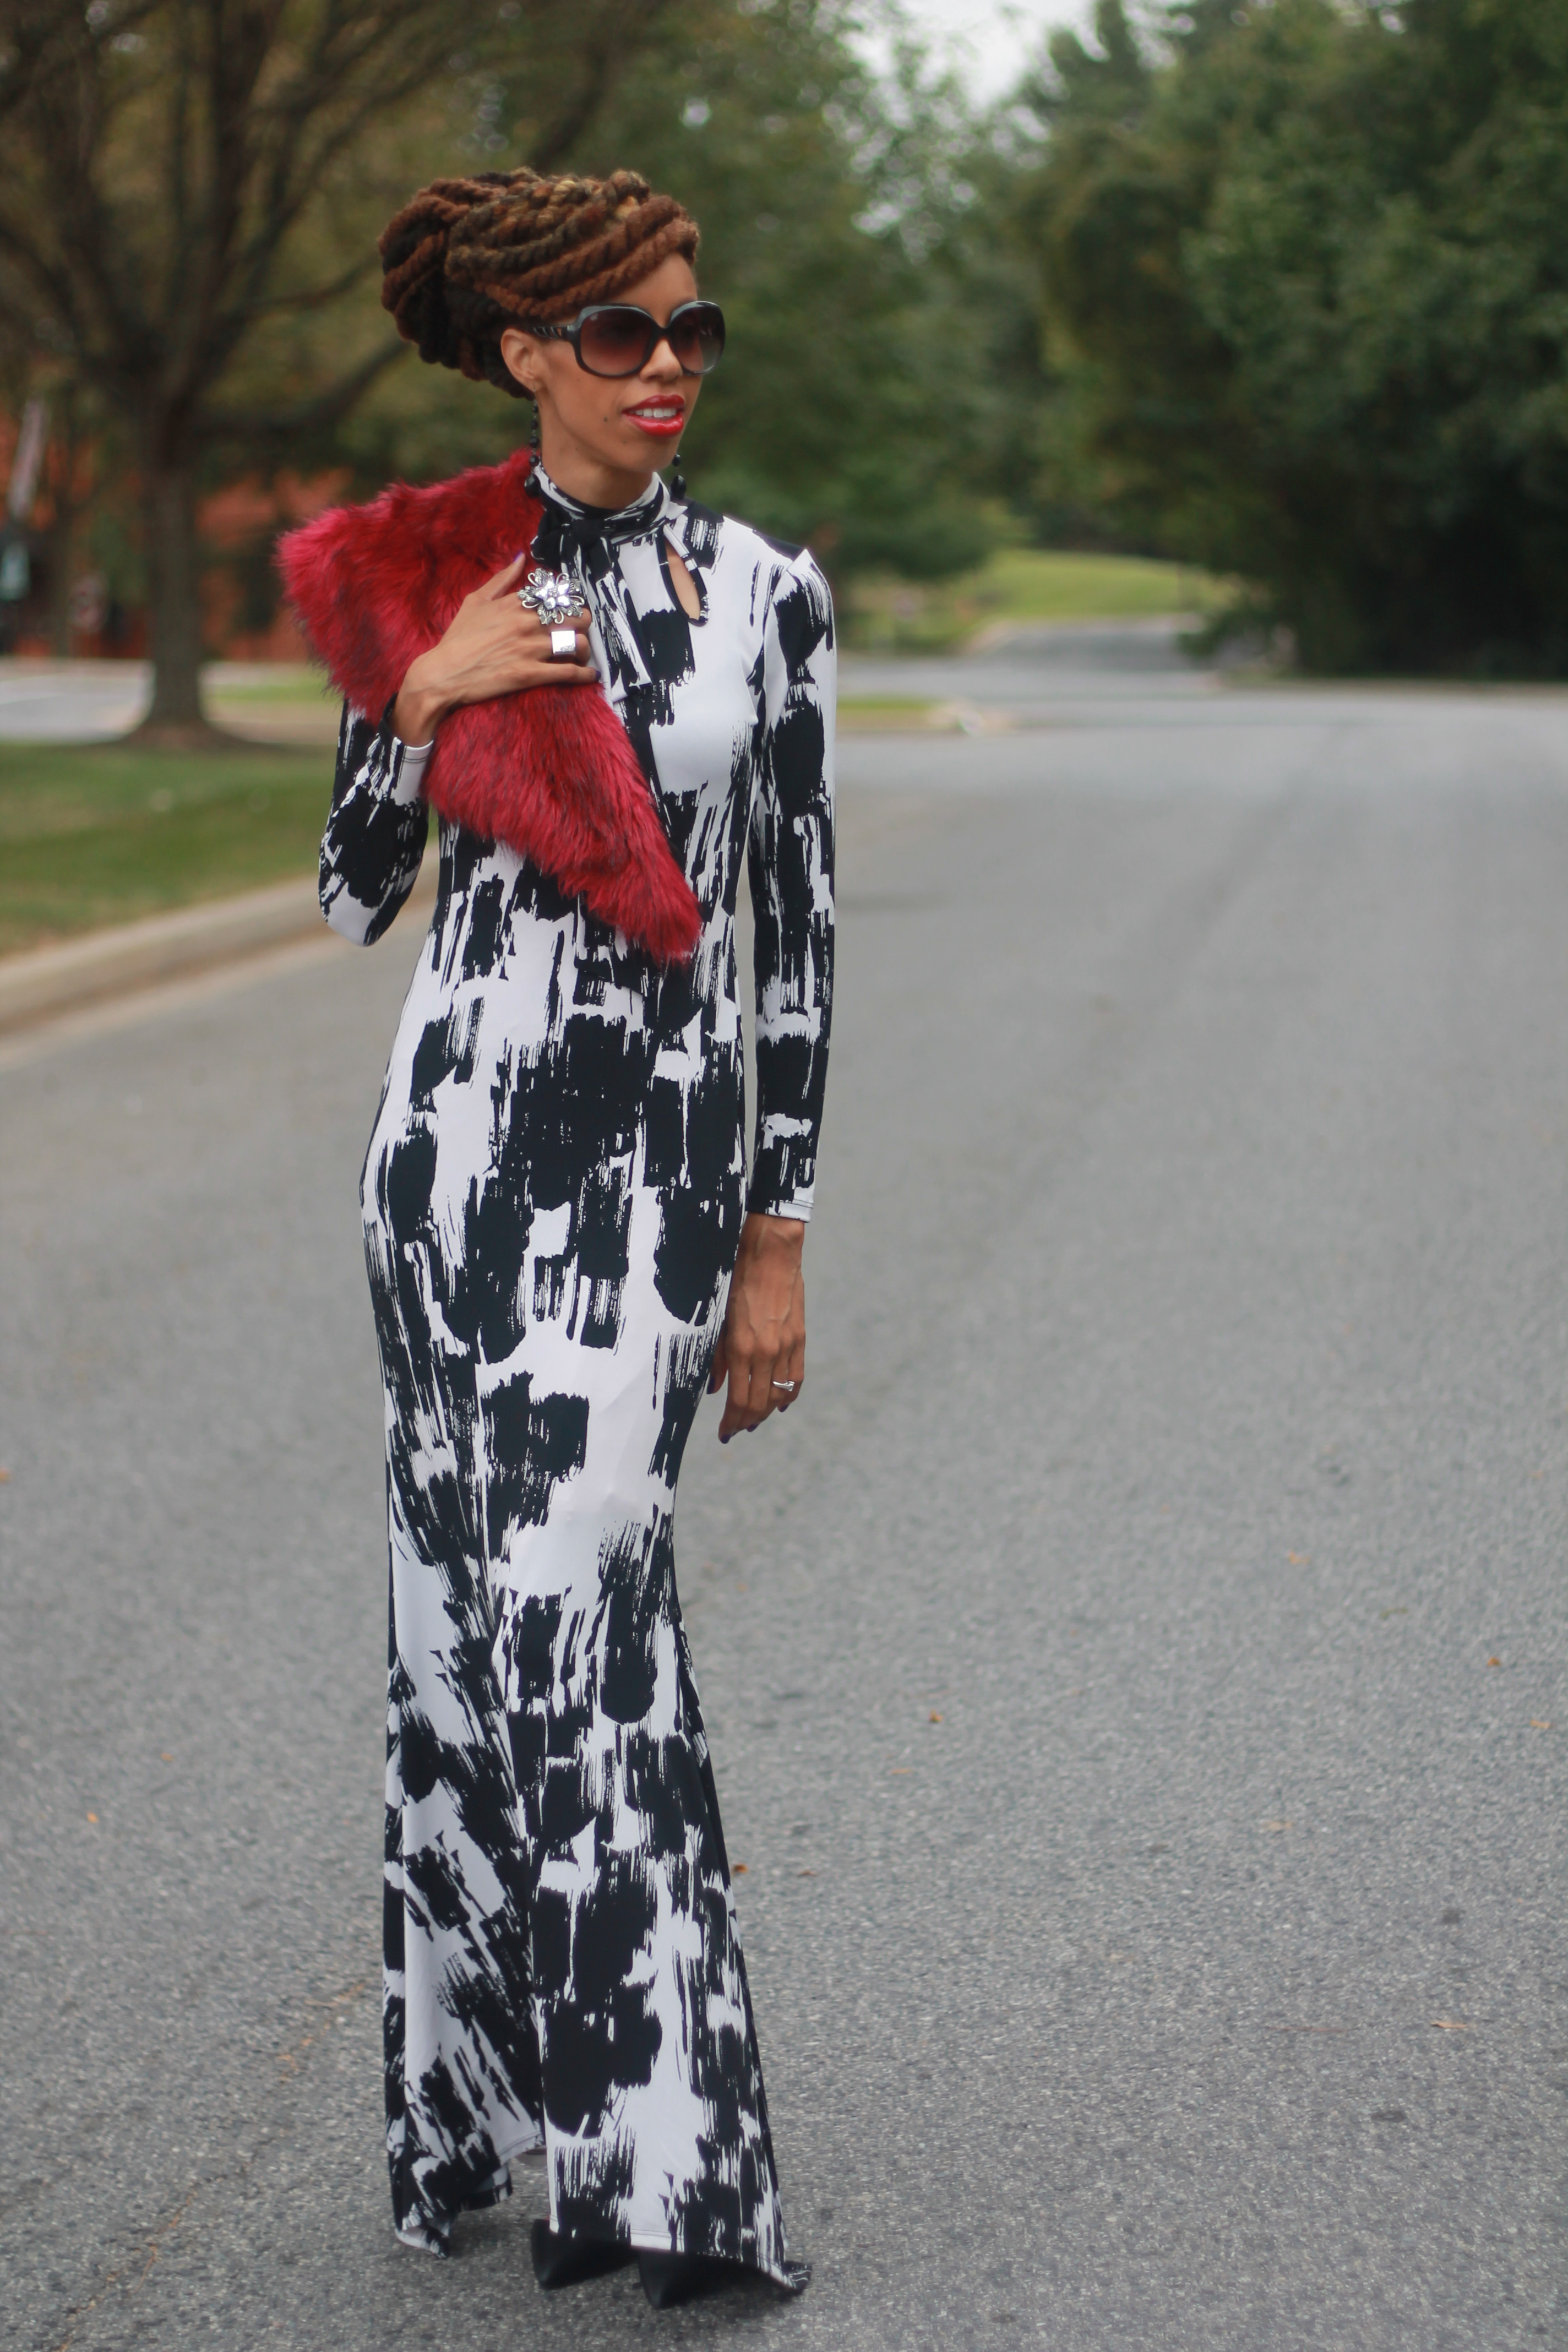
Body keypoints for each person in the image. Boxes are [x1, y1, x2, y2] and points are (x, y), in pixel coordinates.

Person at [279, 168, 833, 2309]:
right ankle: (498, 2124)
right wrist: (416, 696)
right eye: (621, 334)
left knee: (586, 1616)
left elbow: (795, 943)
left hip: (651, 1181)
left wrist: (775, 1237)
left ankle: (668, 2170)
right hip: (448, 1175)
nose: (667, 365)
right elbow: (349, 898)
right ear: (525, 352)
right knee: (463, 1638)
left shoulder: (765, 593)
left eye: (693, 328)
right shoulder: (435, 570)